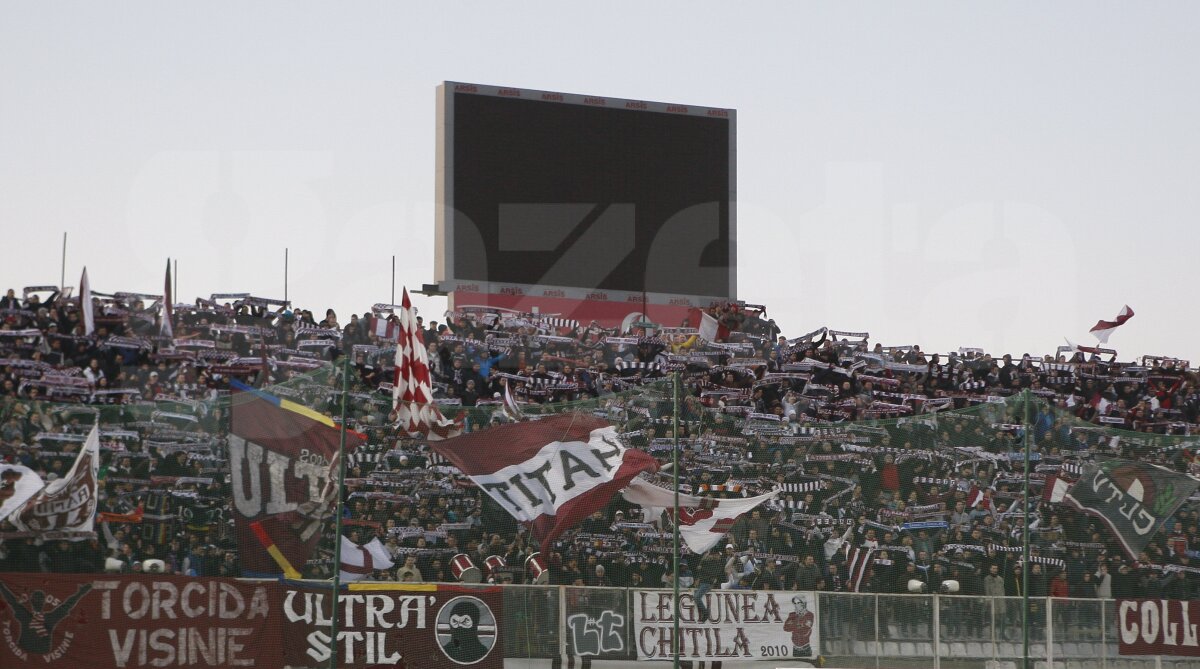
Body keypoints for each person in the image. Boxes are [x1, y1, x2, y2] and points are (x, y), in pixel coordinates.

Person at [695, 549, 725, 623]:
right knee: (696, 596)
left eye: (718, 555)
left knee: (696, 597)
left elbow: (711, 573)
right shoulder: (708, 562)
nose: (718, 556)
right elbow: (699, 567)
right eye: (717, 555)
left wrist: (701, 569)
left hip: (707, 583)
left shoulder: (718, 564)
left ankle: (705, 613)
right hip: (703, 583)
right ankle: (702, 613)